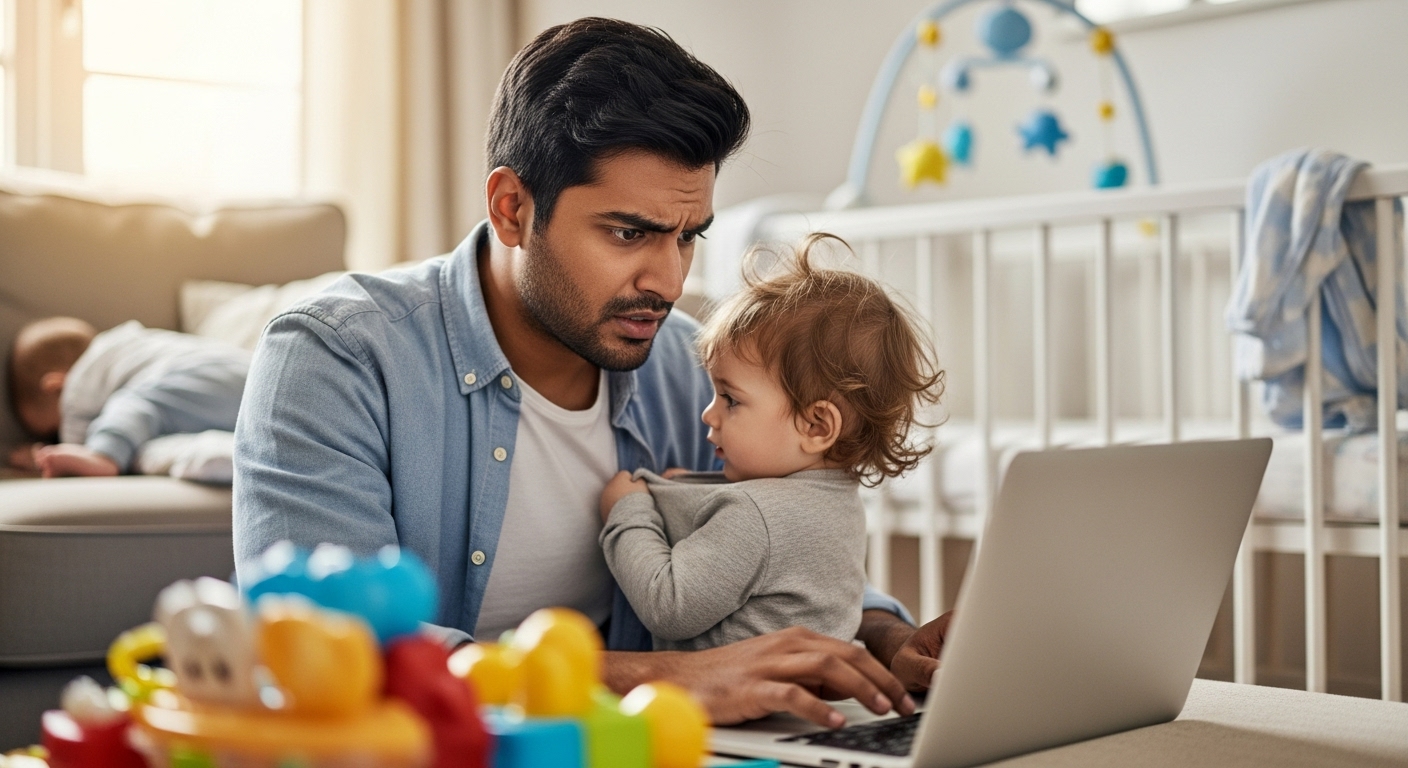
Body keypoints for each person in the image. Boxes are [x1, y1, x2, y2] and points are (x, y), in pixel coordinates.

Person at [233, 17, 949, 729]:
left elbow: (776, 552)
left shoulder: (685, 365)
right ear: (513, 208)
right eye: (629, 232)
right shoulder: (335, 358)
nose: (669, 281)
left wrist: (885, 638)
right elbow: (323, 652)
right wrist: (667, 679)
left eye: (688, 237)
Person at [599, 234, 944, 652]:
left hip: (736, 713)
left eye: (730, 399)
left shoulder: (751, 517)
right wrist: (677, 491)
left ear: (817, 425)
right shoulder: (838, 503)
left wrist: (628, 512)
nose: (709, 414)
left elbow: (669, 605)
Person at [7, 317, 249, 477]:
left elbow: (84, 436)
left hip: (207, 381)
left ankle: (104, 457)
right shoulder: (137, 344)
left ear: (56, 386)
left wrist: (44, 457)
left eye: (54, 430)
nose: (59, 436)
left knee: (135, 402)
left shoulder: (85, 380)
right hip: (250, 373)